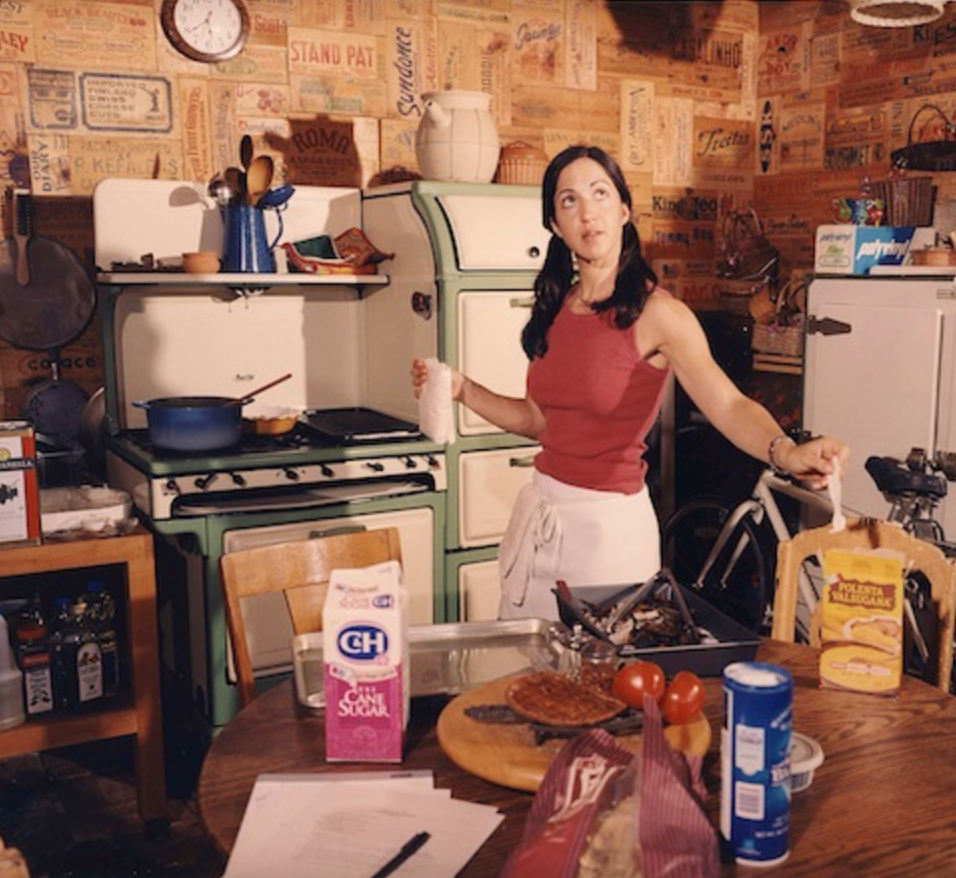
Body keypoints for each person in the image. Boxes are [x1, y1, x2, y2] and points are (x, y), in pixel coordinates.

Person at [411, 144, 849, 621]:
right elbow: (539, 421)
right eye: (569, 200)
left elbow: (727, 405)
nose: (587, 212)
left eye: (600, 194)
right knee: (532, 681)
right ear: (555, 225)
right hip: (541, 520)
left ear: (624, 209)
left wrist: (785, 451)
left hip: (609, 537)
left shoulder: (659, 314)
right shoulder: (556, 307)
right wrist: (462, 389)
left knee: (607, 683)